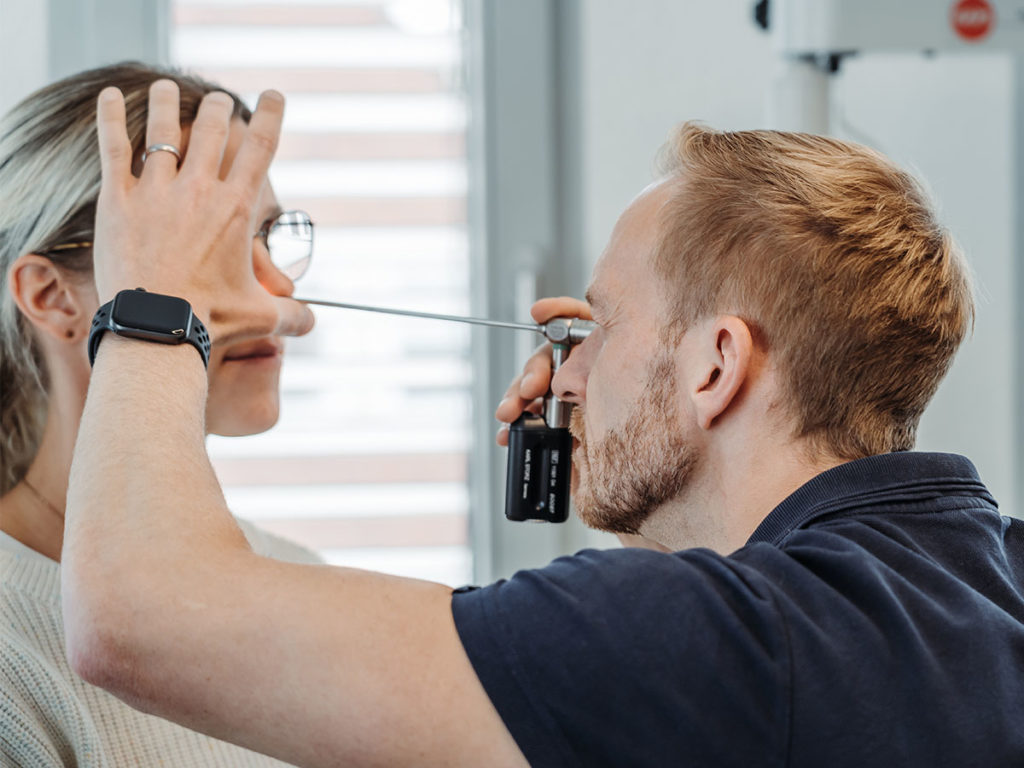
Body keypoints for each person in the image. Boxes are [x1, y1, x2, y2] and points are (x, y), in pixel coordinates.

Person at [58, 80, 1024, 768]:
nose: (570, 367)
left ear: (717, 364)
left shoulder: (716, 640)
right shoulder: (982, 576)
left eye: (600, 325)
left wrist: (151, 298)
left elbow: (137, 618)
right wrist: (628, 447)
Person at [0, 63, 320, 767]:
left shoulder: (294, 581)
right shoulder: (10, 656)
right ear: (50, 296)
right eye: (212, 246)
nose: (279, 290)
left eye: (269, 235)